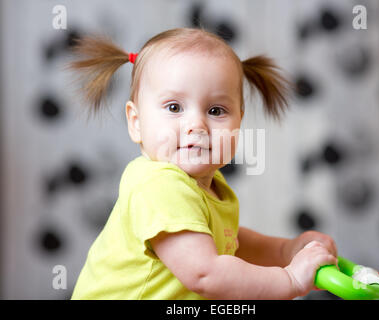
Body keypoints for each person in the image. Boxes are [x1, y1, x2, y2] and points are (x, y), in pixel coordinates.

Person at [69, 27, 338, 300]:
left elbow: (229, 243)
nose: (196, 125)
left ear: (239, 122)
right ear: (136, 123)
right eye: (174, 107)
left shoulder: (208, 185)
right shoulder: (159, 185)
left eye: (216, 111)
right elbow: (205, 273)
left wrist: (286, 251)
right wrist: (290, 279)